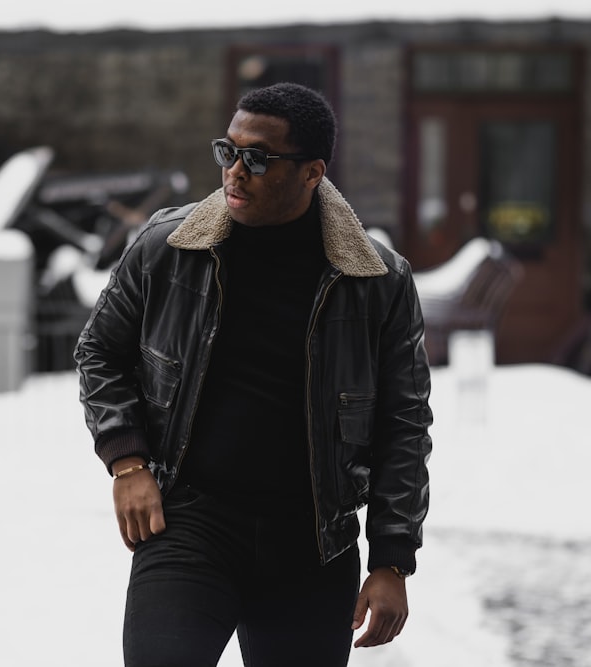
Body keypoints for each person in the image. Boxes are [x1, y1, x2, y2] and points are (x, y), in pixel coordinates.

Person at [75, 82, 432, 667]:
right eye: (228, 151)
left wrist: (392, 559)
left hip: (313, 542)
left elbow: (405, 423)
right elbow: (99, 352)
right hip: (191, 522)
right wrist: (127, 460)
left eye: (258, 158)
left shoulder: (378, 280)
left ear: (313, 172)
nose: (235, 172)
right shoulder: (169, 247)